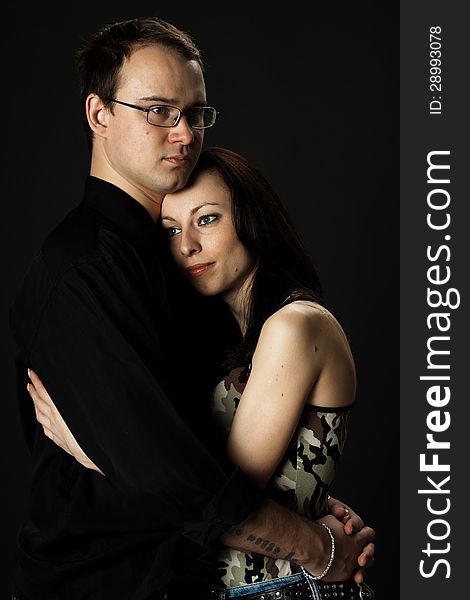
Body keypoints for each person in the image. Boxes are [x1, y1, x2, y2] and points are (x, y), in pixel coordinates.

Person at [10, 16, 374, 600]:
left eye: (195, 113)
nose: (183, 133)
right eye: (157, 111)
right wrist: (317, 547)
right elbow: (178, 479)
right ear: (99, 114)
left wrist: (306, 498)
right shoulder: (84, 270)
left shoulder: (177, 270)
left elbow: (200, 461)